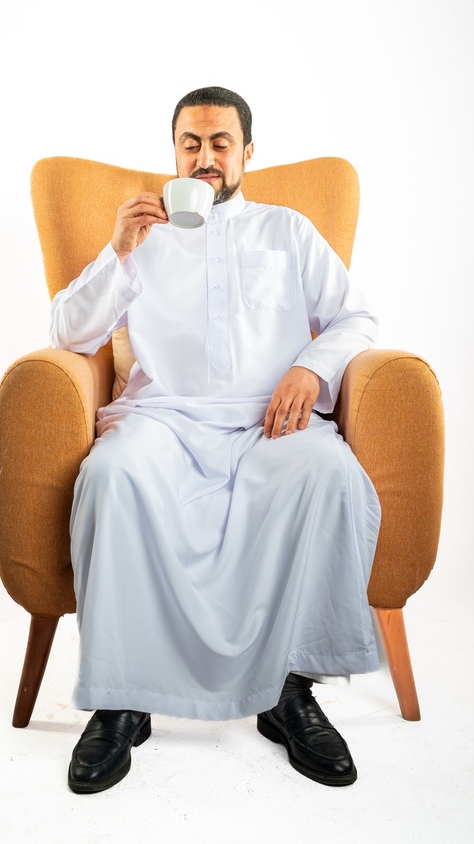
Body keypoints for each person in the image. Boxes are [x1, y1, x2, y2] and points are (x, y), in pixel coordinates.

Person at [50, 86, 381, 794]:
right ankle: (120, 696)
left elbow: (355, 318)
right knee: (112, 475)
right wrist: (117, 251)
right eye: (190, 143)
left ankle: (291, 690)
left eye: (220, 143)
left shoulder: (287, 230)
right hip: (164, 420)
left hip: (270, 423)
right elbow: (69, 334)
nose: (205, 157)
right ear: (174, 153)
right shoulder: (141, 238)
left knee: (330, 474)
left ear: (247, 153)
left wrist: (309, 367)